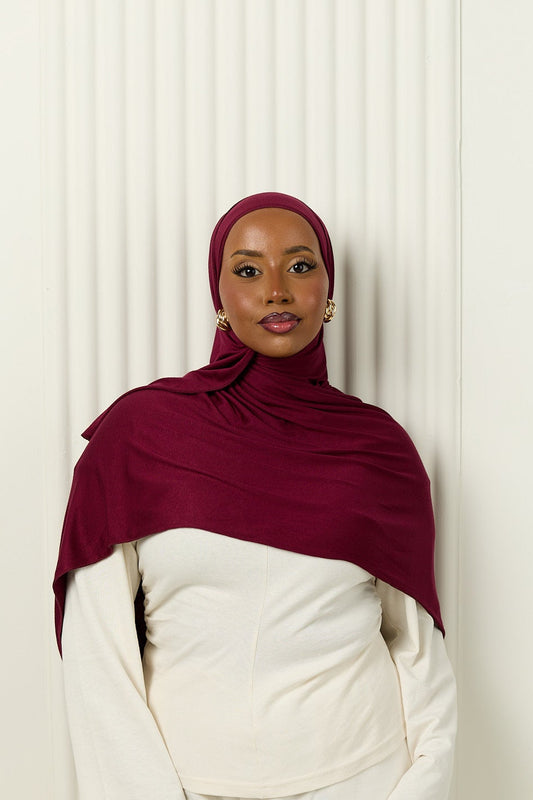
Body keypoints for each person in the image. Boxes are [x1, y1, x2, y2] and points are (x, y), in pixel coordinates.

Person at [53, 192, 456, 800]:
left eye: (300, 265)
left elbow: (415, 647)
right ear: (219, 295)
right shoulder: (140, 435)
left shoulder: (380, 449)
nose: (276, 290)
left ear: (328, 288)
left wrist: (421, 784)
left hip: (366, 776)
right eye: (247, 270)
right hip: (187, 782)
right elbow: (97, 651)